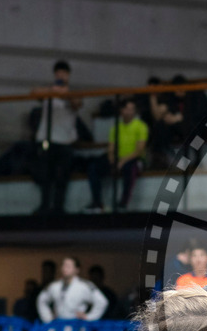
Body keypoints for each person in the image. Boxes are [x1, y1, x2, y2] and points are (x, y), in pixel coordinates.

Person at [32, 59, 82, 215]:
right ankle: (44, 206)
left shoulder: (73, 93)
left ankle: (58, 208)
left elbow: (77, 103)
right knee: (45, 175)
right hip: (47, 140)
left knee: (62, 177)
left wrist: (65, 94)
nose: (61, 75)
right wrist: (53, 91)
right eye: (58, 73)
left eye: (64, 73)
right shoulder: (49, 92)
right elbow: (34, 93)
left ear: (68, 75)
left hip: (65, 141)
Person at [87, 97, 148, 212]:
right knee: (93, 167)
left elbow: (139, 150)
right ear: (121, 110)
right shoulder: (116, 127)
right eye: (127, 109)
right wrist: (112, 160)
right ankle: (97, 202)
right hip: (117, 158)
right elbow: (111, 148)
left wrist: (122, 161)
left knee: (129, 169)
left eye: (132, 109)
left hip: (134, 159)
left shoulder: (141, 126)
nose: (130, 112)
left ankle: (123, 203)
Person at [37, 257, 108, 323]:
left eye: (68, 266)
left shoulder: (84, 286)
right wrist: (48, 318)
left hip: (77, 325)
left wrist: (89, 317)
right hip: (58, 325)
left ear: (76, 270)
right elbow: (41, 300)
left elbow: (102, 302)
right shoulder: (54, 286)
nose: (65, 268)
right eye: (64, 265)